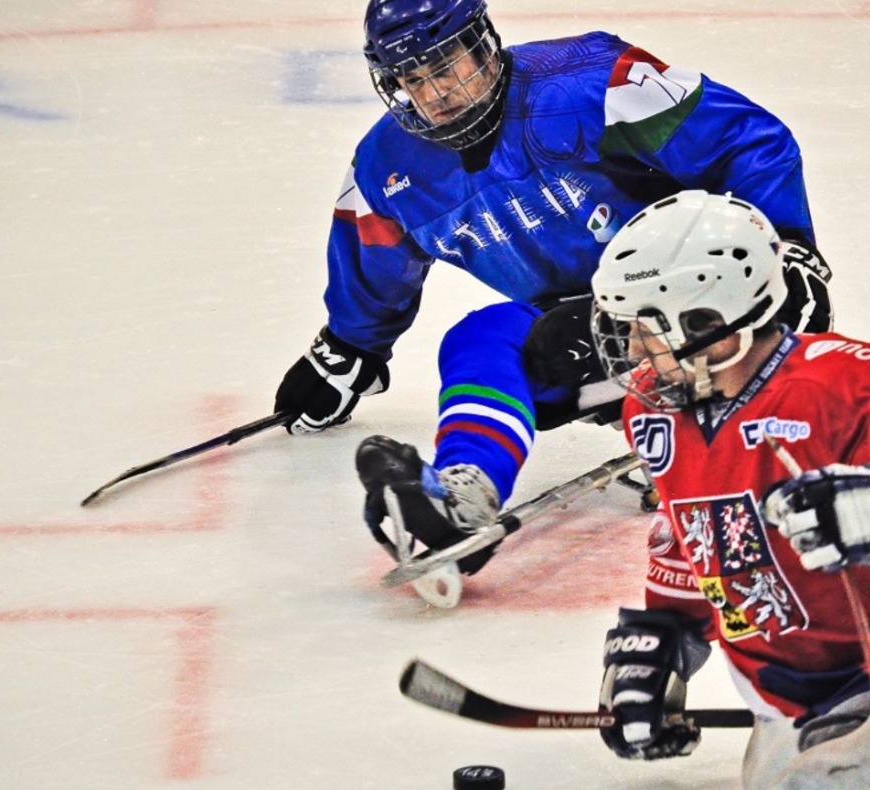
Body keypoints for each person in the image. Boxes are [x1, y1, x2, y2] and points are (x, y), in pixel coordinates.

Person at [270, 0, 834, 572]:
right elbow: (373, 259)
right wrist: (346, 349)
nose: (431, 93)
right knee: (479, 337)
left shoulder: (594, 85)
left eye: (444, 68)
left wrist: (785, 252)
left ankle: (710, 419)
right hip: (574, 330)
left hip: (684, 301)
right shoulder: (384, 167)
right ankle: (464, 494)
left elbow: (749, 142)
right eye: (411, 79)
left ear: (482, 46)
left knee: (579, 333)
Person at [588, 190, 870, 789]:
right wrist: (661, 642)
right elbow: (689, 539)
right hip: (783, 706)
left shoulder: (848, 382)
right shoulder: (657, 412)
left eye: (648, 328)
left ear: (712, 326)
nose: (635, 350)